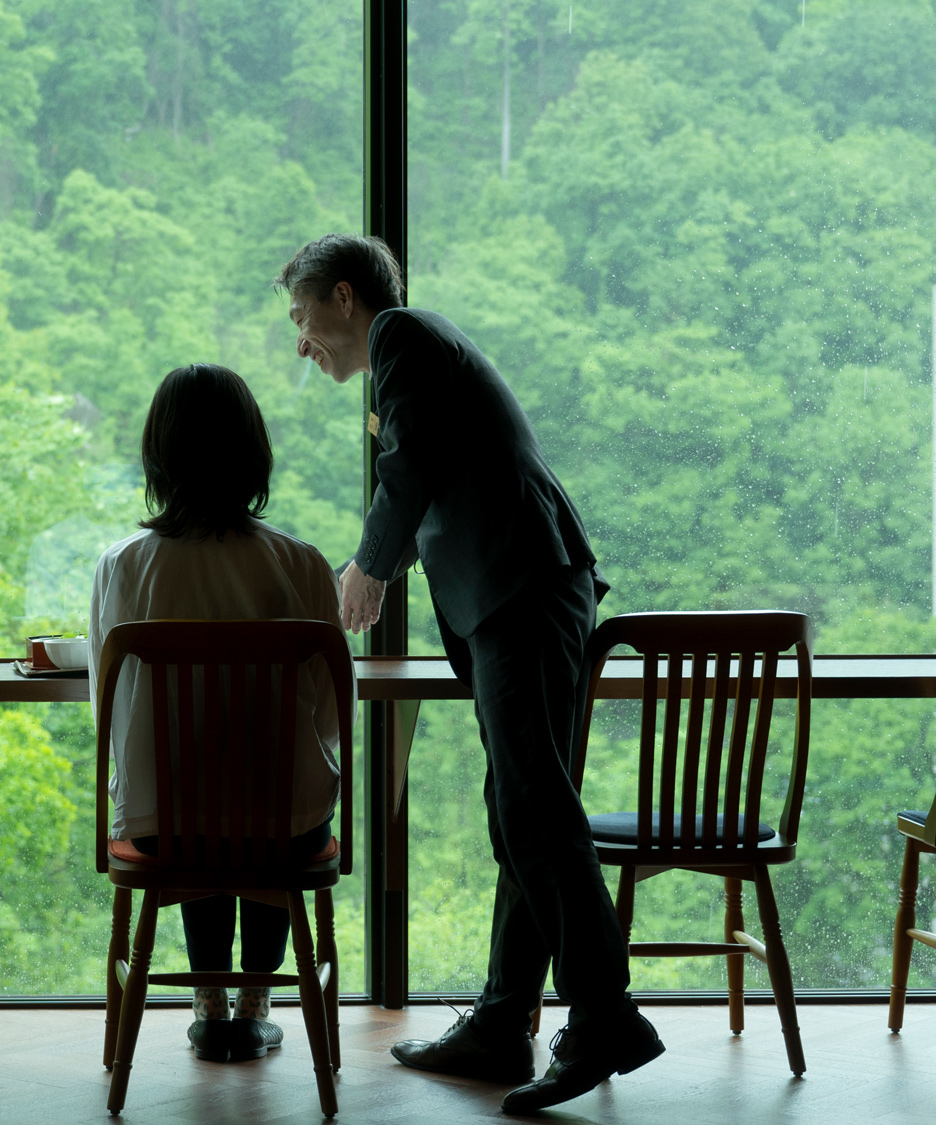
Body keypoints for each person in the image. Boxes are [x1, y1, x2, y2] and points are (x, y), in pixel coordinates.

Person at [276, 234, 662, 1113]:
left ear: (344, 297)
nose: (300, 340)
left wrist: (367, 566)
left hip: (521, 588)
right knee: (520, 808)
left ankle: (604, 1018)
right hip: (518, 591)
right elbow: (431, 484)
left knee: (534, 807)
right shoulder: (411, 357)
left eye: (301, 318)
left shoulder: (403, 334)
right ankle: (500, 1023)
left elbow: (406, 473)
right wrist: (369, 563)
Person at [89, 362, 344, 1065]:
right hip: (284, 838)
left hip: (167, 832)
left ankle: (207, 999)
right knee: (280, 807)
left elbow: (107, 708)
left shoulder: (122, 565)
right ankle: (257, 1000)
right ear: (252, 454)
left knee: (188, 801)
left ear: (158, 456)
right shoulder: (302, 564)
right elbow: (328, 715)